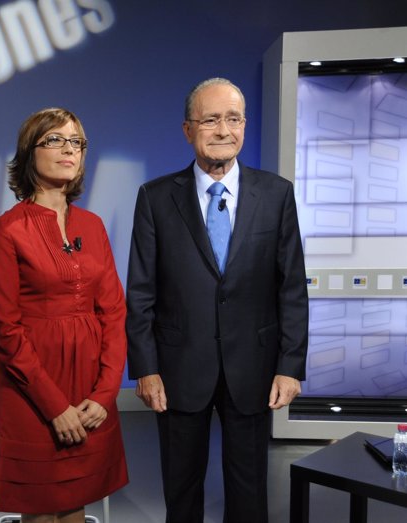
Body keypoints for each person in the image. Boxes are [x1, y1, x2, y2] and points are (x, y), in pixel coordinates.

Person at [125, 78, 309, 523]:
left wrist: (290, 364)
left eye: (233, 119)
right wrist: (146, 369)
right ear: (188, 130)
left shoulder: (277, 194)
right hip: (178, 366)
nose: (224, 130)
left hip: (254, 366)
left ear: (244, 125)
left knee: (249, 496)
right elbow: (141, 291)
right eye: (211, 119)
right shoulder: (155, 197)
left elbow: (292, 287)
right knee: (181, 492)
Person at [0, 108, 129, 523]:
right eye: (55, 140)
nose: (69, 149)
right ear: (29, 152)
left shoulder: (94, 225)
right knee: (43, 512)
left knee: (75, 507)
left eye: (77, 142)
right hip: (33, 395)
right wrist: (54, 408)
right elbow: (4, 329)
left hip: (90, 393)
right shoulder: (7, 230)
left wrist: (104, 395)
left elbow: (113, 313)